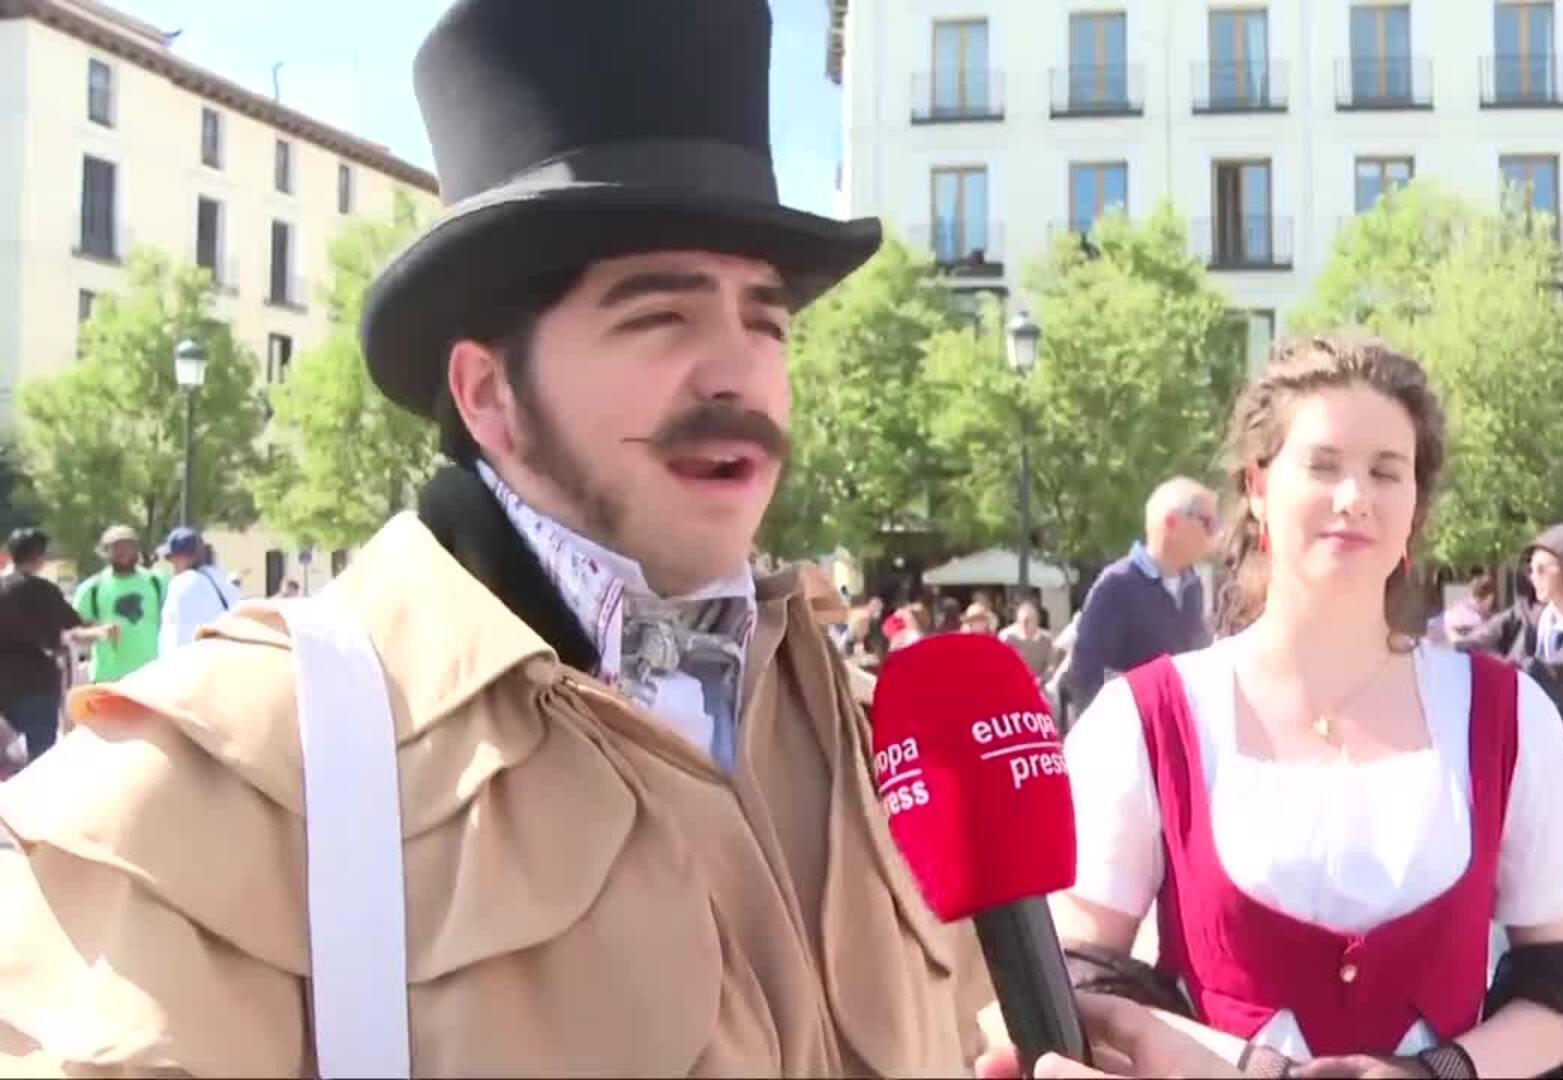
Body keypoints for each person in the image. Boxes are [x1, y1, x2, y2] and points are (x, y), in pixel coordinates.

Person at [0, 3, 991, 1073]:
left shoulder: (870, 734)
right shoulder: (225, 775)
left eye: (767, 321)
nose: (740, 371)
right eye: (660, 316)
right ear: (488, 395)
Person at [1056, 337, 1563, 1079]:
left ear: (1414, 506)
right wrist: (1247, 1068)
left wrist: (1435, 1073)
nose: (1355, 498)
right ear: (1258, 487)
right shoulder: (1144, 720)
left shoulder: (1510, 718)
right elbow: (1079, 979)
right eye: (1322, 465)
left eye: (1387, 471)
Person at [1459, 524, 1563, 864]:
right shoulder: (1525, 616)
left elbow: (1556, 676)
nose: (1534, 577)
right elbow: (1470, 645)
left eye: (1543, 568)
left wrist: (1494, 667)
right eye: (1531, 568)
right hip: (1515, 756)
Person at [1066, 478, 1218, 726]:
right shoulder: (1117, 585)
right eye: (1208, 523)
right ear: (1172, 522)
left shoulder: (1193, 587)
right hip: (1131, 734)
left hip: (1179, 732)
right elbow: (1087, 672)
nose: (1215, 534)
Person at [0, 529, 116, 763]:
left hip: (4, 681)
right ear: (39, 557)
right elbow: (73, 625)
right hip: (37, 682)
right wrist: (102, 630)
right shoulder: (44, 591)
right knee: (41, 757)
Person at [70, 524, 166, 682]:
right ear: (105, 551)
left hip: (152, 677)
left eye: (129, 545)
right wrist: (97, 632)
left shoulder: (157, 582)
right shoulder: (92, 588)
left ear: (137, 549)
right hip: (108, 678)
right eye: (117, 547)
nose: (124, 552)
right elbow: (72, 634)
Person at [158, 528, 243, 656]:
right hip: (225, 659)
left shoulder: (180, 583)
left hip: (191, 661)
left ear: (183, 557)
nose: (172, 563)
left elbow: (172, 636)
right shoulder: (223, 581)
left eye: (171, 557)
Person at [1000, 600, 1059, 679]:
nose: (1024, 625)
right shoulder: (1007, 638)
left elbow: (1051, 667)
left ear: (1037, 621)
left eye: (1028, 621)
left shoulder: (1047, 640)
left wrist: (1042, 679)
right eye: (1021, 621)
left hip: (1039, 682)